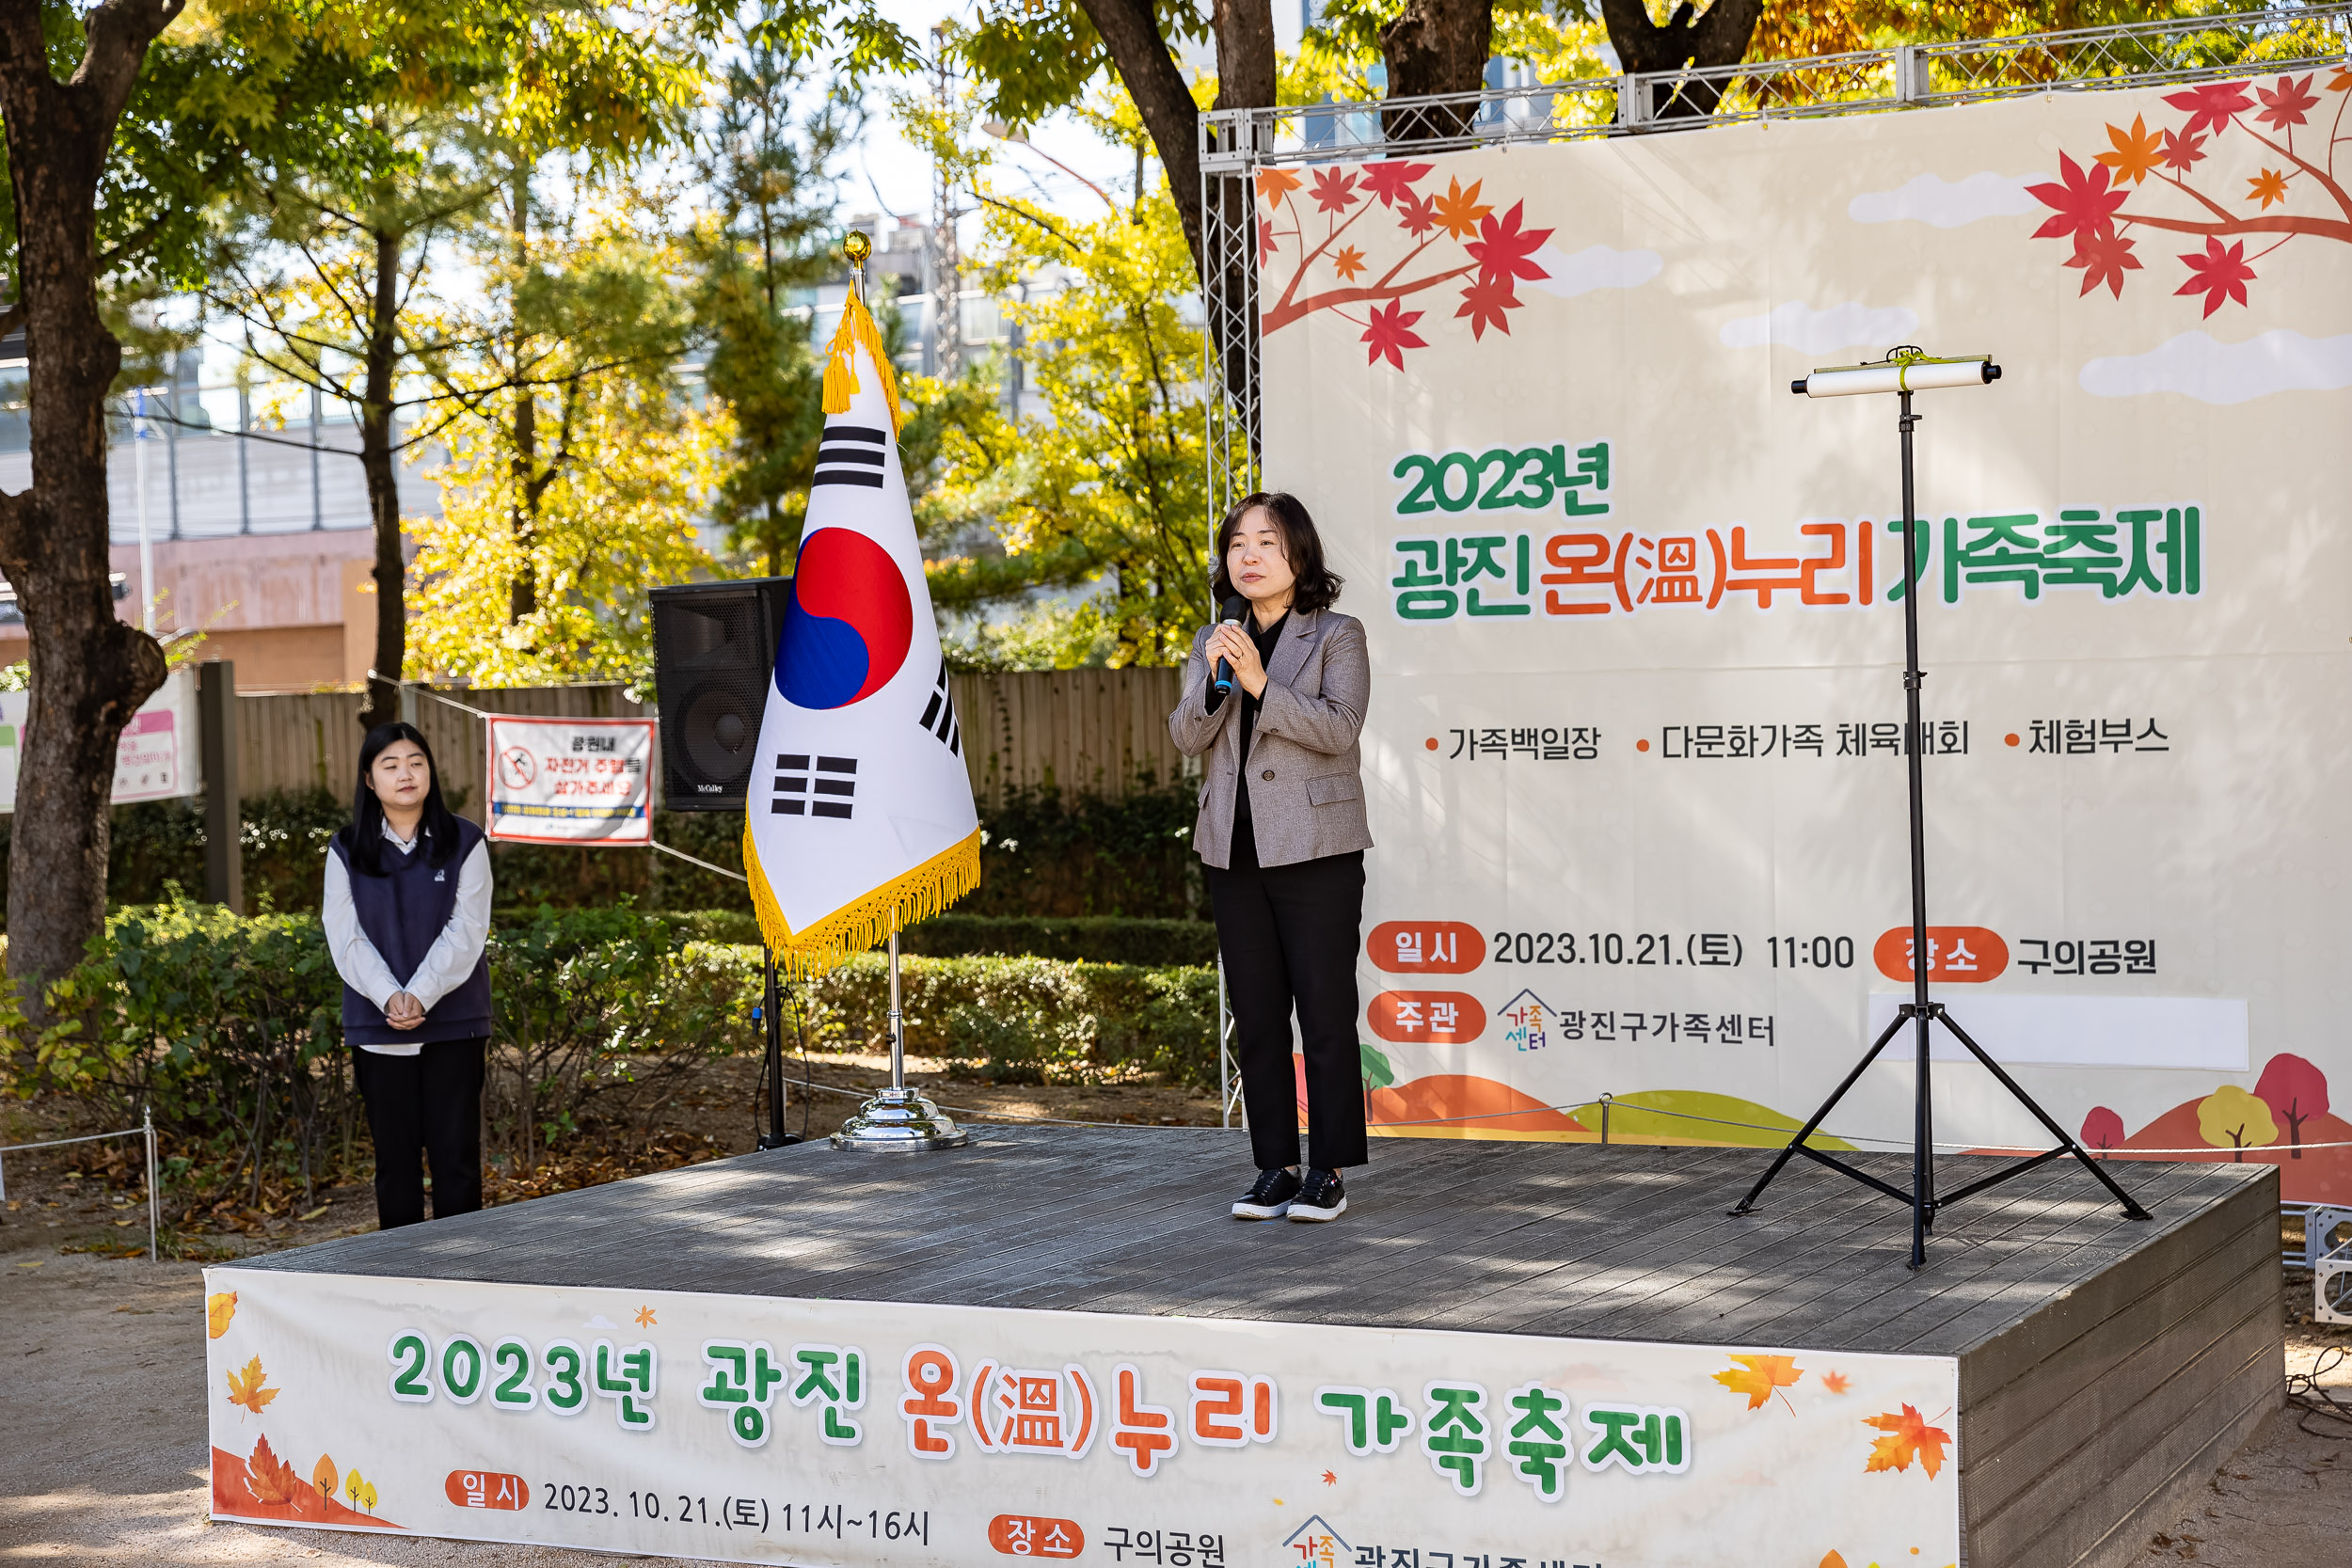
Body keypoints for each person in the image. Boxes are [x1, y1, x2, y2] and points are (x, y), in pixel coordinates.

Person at [1170, 492, 1372, 1223]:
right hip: (1234, 848)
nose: (1248, 555)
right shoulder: (1212, 637)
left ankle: (1329, 1169)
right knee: (1256, 1016)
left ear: (1299, 556)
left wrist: (1261, 681)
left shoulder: (1336, 635)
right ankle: (1275, 1167)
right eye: (1237, 544)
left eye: (1266, 542)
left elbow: (1340, 729)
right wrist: (1221, 684)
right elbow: (1188, 737)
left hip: (1317, 849)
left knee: (1323, 1011)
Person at [324, 722, 494, 1229]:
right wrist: (389, 998)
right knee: (394, 1166)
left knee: (456, 1160)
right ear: (369, 780)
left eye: (416, 762)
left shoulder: (465, 840)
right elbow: (344, 934)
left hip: (454, 1023)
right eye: (391, 765)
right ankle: (399, 1282)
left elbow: (467, 931)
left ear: (430, 773)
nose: (406, 774)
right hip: (378, 1029)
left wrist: (418, 995)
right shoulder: (346, 848)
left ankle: (465, 1277)